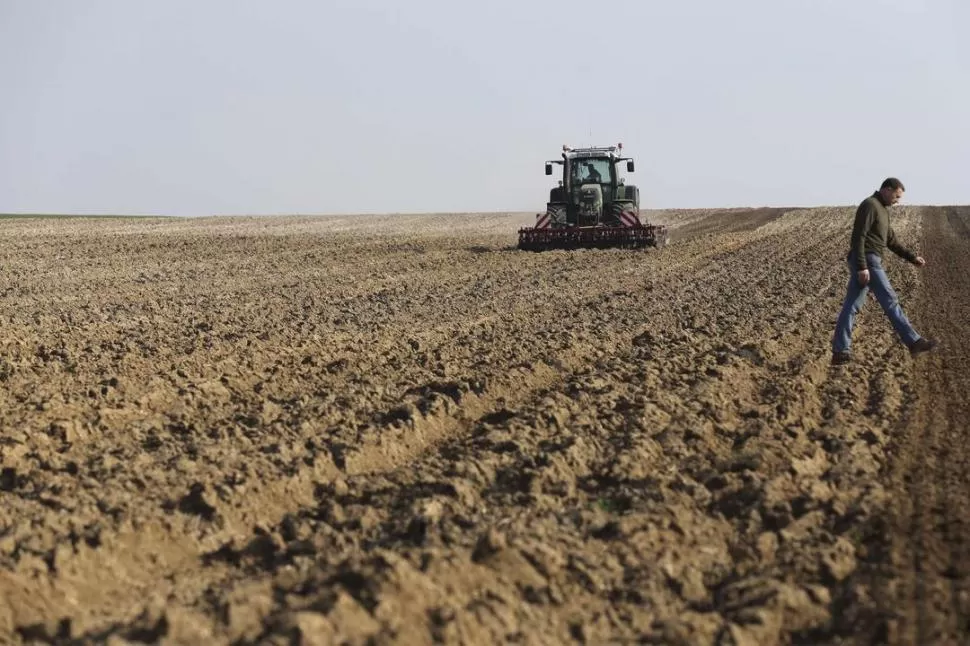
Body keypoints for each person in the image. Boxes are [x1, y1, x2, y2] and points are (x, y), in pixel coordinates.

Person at [831, 177, 936, 365]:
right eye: (896, 196)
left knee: (852, 305)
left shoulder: (883, 211)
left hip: (868, 259)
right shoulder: (870, 205)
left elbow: (891, 241)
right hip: (867, 259)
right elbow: (858, 236)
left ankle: (840, 352)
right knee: (890, 300)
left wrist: (912, 258)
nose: (897, 201)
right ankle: (914, 342)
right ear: (887, 190)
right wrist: (862, 266)